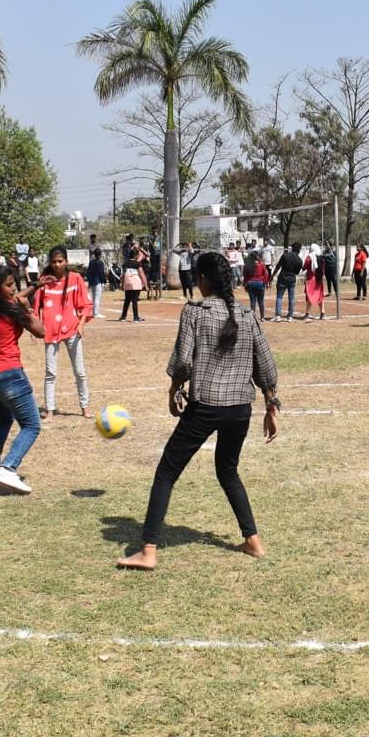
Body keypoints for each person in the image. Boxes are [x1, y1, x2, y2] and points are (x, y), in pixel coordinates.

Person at [117, 251, 280, 571]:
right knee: (228, 471)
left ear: (203, 280)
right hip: (239, 410)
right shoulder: (247, 315)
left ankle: (148, 550)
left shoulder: (194, 312)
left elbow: (183, 362)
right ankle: (253, 542)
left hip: (205, 406)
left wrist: (173, 390)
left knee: (166, 472)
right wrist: (271, 405)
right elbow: (266, 366)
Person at [0, 265, 44, 494]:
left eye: (14, 284)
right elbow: (40, 331)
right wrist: (29, 309)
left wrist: (35, 286)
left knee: (3, 417)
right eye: (8, 285)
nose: (14, 289)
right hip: (8, 374)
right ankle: (8, 468)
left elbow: (12, 297)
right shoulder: (13, 309)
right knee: (31, 425)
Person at [34, 246, 93, 420]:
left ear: (66, 261)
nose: (57, 264)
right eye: (54, 261)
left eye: (60, 261)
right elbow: (37, 306)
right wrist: (35, 326)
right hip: (50, 331)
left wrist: (81, 323)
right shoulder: (44, 280)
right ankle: (49, 410)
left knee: (80, 371)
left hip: (72, 330)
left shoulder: (75, 279)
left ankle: (85, 407)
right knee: (50, 372)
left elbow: (86, 305)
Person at [272, 242, 302, 322]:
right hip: (292, 279)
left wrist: (272, 276)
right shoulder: (299, 260)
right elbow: (297, 272)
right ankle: (290, 317)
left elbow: (278, 266)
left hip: (282, 278)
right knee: (291, 298)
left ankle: (278, 316)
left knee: (279, 297)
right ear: (299, 250)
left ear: (292, 248)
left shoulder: (285, 255)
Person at [119, 242, 146, 322]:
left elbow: (123, 275)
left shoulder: (125, 264)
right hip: (135, 283)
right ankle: (136, 317)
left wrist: (122, 285)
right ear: (135, 256)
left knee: (127, 300)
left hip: (127, 283)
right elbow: (141, 274)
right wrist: (145, 284)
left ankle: (123, 317)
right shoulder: (137, 263)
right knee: (134, 300)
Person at [302, 242, 326, 320]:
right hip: (319, 280)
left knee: (309, 296)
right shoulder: (321, 259)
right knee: (320, 296)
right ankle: (322, 312)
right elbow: (323, 270)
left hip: (310, 280)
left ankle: (307, 313)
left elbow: (304, 267)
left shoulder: (309, 258)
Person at [243, 250, 269, 320]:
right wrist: (266, 283)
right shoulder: (261, 264)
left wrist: (245, 284)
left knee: (252, 301)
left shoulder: (247, 265)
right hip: (260, 283)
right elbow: (265, 274)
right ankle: (262, 317)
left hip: (251, 283)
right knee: (261, 301)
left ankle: (253, 317)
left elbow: (245, 275)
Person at [86, 246, 107, 318]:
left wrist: (89, 281)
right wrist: (104, 281)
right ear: (100, 254)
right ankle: (96, 313)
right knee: (97, 298)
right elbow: (101, 273)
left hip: (92, 281)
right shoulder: (100, 262)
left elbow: (88, 272)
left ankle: (93, 312)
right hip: (98, 281)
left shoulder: (91, 262)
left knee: (94, 297)